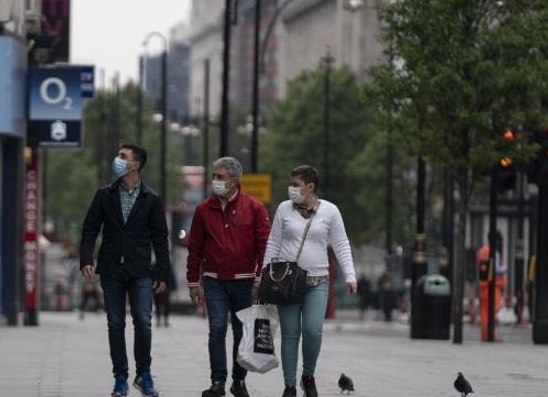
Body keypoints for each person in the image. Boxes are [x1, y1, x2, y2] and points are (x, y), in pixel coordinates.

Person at [80, 143, 170, 397]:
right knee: (115, 323)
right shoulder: (104, 195)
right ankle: (120, 377)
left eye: (122, 156)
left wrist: (162, 273)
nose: (117, 160)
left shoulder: (151, 199)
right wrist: (86, 259)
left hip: (140, 269)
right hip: (110, 268)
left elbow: (160, 238)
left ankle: (144, 374)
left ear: (135, 164)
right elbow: (89, 229)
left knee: (143, 320)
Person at [261, 165, 357, 397]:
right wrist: (264, 274)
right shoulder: (284, 209)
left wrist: (350, 275)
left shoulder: (330, 211)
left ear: (310, 187)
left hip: (318, 281)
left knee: (313, 331)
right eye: (291, 184)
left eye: (295, 184)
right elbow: (273, 243)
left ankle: (308, 375)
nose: (291, 189)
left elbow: (341, 244)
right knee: (290, 334)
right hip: (287, 283)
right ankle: (289, 385)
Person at [187, 156, 271, 397]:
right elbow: (195, 247)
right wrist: (193, 281)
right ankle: (217, 381)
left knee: (241, 332)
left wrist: (260, 278)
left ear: (235, 180)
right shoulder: (204, 209)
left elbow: (265, 246)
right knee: (217, 327)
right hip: (214, 280)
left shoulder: (254, 208)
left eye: (220, 177)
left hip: (245, 282)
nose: (216, 181)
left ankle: (239, 380)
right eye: (214, 176)